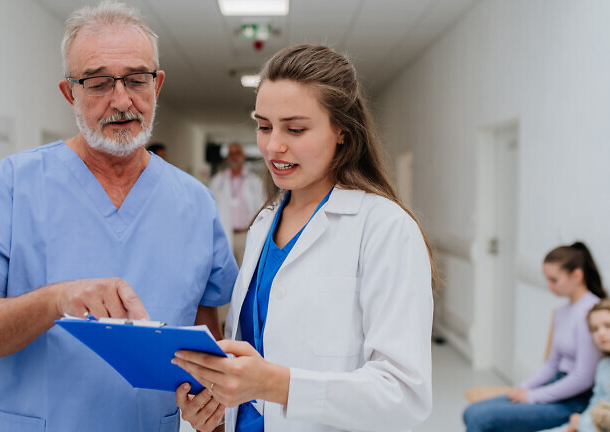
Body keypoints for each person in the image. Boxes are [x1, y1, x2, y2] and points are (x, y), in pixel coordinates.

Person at [0, 2, 237, 431]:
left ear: (158, 86)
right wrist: (56, 301)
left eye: (137, 80)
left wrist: (210, 400)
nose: (121, 100)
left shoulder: (195, 204)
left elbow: (207, 339)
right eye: (98, 83)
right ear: (69, 92)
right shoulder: (12, 184)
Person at [172, 44, 434, 432]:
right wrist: (214, 412)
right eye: (264, 126)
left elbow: (405, 396)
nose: (273, 146)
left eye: (295, 129)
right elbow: (249, 362)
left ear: (342, 131)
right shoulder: (265, 222)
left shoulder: (384, 228)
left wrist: (273, 384)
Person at [463, 242, 607, 432]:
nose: (549, 286)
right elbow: (551, 364)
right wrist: (523, 388)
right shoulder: (563, 311)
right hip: (554, 386)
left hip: (573, 400)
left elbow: (583, 378)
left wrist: (532, 396)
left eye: (554, 280)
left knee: (480, 418)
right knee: (470, 412)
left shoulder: (592, 313)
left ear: (577, 275)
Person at [539, 298, 610, 432]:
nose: (601, 333)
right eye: (595, 329)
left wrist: (583, 424)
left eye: (608, 325)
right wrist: (580, 423)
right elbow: (596, 403)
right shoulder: (604, 366)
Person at [210, 142, 264, 267]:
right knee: (227, 271)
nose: (234, 157)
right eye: (231, 154)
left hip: (246, 235)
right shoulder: (217, 181)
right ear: (228, 157)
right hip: (225, 234)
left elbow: (262, 209)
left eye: (237, 153)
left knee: (246, 271)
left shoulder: (255, 182)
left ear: (243, 155)